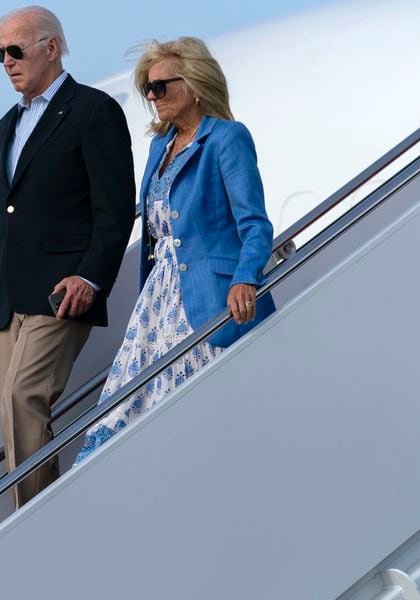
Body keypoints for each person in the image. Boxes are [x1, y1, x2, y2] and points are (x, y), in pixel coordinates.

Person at [0, 6, 135, 507]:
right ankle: (41, 516)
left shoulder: (92, 111)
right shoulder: (7, 125)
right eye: (0, 54)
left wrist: (91, 277)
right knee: (13, 413)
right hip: (14, 294)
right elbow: (7, 221)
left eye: (15, 51)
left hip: (63, 292)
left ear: (51, 48)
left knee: (24, 398)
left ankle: (34, 523)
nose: (7, 63)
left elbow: (115, 208)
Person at [75, 37, 275, 465]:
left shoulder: (226, 139)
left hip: (211, 295)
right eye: (148, 88)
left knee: (203, 412)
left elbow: (254, 223)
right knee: (130, 409)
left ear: (194, 84)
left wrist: (245, 277)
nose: (151, 97)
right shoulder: (158, 148)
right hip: (158, 300)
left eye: (161, 87)